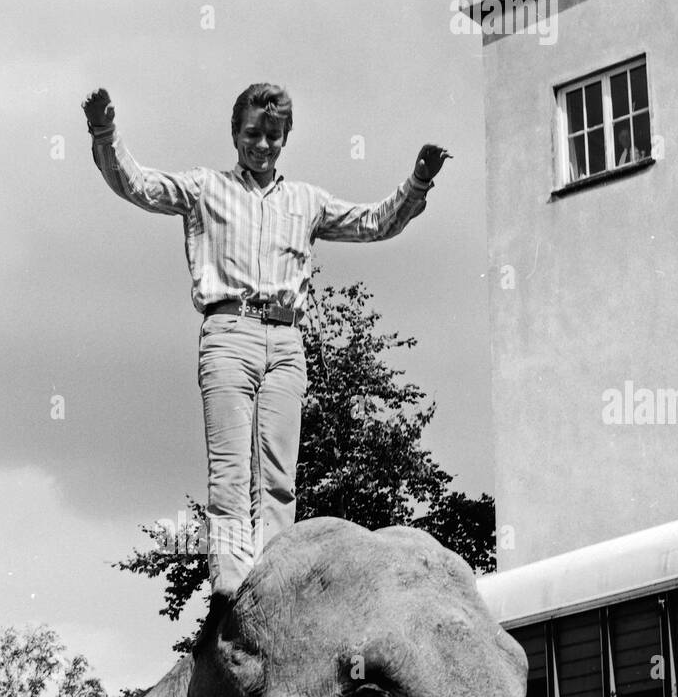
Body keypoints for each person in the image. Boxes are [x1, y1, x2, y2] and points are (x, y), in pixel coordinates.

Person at [83, 83, 449, 646]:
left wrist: (418, 181)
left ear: (285, 139)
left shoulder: (305, 201)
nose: (262, 146)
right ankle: (232, 590)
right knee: (231, 474)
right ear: (235, 135)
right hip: (227, 333)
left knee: (278, 478)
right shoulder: (207, 188)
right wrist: (105, 132)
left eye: (272, 137)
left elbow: (375, 221)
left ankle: (275, 586)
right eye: (252, 134)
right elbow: (137, 184)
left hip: (285, 342)